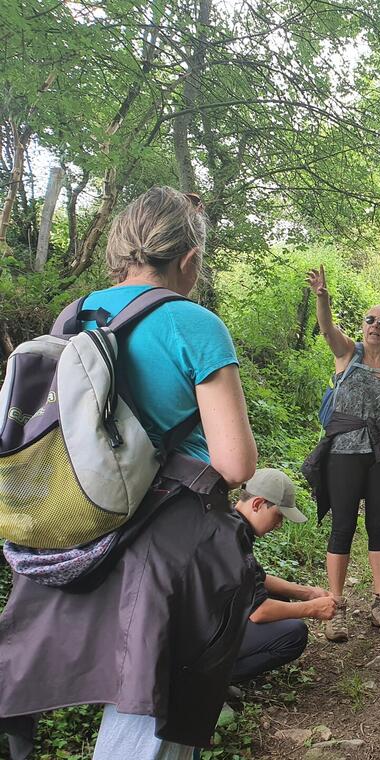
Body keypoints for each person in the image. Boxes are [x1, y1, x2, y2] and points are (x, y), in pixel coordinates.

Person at [0, 187, 259, 759]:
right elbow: (235, 463)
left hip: (71, 528)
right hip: (159, 542)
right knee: (146, 707)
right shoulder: (193, 322)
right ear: (189, 260)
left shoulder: (73, 314)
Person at [301, 265, 380, 643]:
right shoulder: (346, 352)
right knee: (343, 525)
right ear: (363, 325)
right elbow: (326, 330)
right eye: (370, 319)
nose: (374, 325)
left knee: (378, 525)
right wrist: (323, 297)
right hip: (345, 450)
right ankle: (334, 606)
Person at [231, 469, 337, 683]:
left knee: (280, 600)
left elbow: (256, 578)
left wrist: (307, 593)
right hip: (194, 640)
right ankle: (210, 682)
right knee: (293, 634)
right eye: (278, 516)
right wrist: (313, 609)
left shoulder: (229, 524)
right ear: (258, 504)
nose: (279, 525)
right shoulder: (230, 539)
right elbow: (259, 612)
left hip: (205, 622)